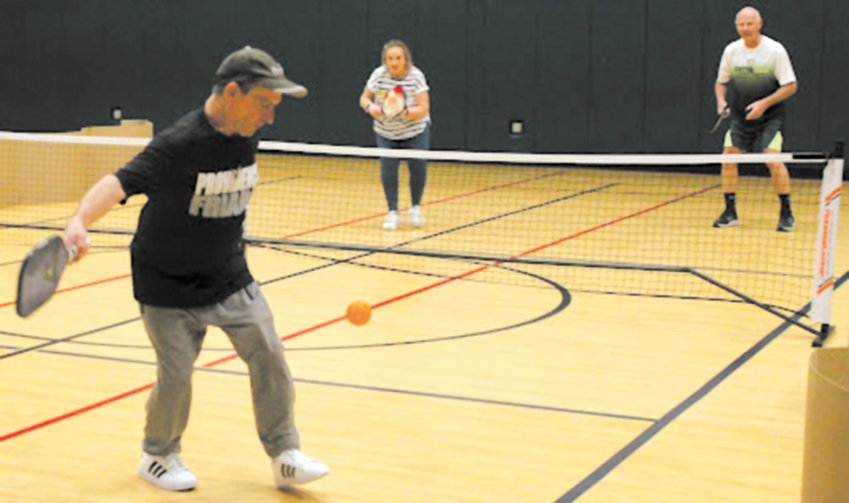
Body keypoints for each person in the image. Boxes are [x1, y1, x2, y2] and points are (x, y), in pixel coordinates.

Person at [62, 46, 329, 492]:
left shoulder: (246, 130)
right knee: (177, 374)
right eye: (264, 104)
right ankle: (158, 455)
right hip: (166, 283)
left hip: (228, 275)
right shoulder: (178, 144)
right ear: (231, 92)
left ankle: (285, 454)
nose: (269, 117)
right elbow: (119, 182)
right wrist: (78, 223)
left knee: (269, 355)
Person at [713, 6, 798, 232]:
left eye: (750, 24)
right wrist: (721, 101)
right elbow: (721, 82)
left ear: (759, 24)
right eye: (741, 24)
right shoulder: (731, 51)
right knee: (728, 159)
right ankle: (730, 211)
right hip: (741, 118)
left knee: (772, 160)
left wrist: (764, 104)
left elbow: (790, 86)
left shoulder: (775, 51)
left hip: (770, 117)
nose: (745, 28)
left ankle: (786, 212)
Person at [359, 39, 431, 230]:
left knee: (418, 169)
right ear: (385, 60)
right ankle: (393, 212)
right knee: (388, 171)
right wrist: (371, 107)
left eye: (398, 58)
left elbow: (424, 107)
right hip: (386, 132)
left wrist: (405, 112)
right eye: (390, 58)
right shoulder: (378, 75)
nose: (394, 62)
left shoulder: (416, 76)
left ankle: (415, 207)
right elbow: (364, 98)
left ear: (405, 59)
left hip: (414, 131)